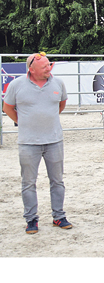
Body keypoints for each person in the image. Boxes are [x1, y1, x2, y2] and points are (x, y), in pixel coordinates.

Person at [3, 52, 72, 234]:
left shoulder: (58, 83)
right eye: (44, 66)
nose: (49, 69)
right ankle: (31, 219)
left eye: (49, 65)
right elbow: (7, 107)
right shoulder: (16, 85)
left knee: (57, 181)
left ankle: (59, 216)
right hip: (28, 142)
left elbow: (61, 104)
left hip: (54, 140)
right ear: (31, 69)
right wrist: (22, 121)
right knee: (28, 183)